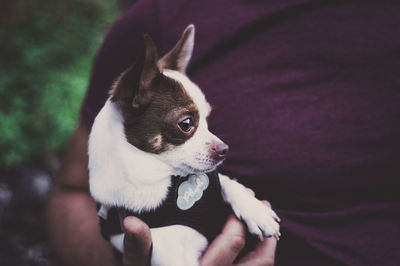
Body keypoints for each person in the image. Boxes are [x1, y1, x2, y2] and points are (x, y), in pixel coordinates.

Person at [47, 0, 400, 265]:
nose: (218, 145)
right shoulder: (162, 17)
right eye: (187, 125)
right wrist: (123, 259)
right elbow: (72, 191)